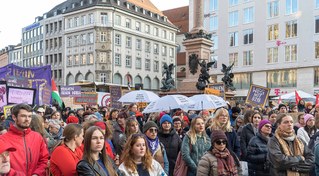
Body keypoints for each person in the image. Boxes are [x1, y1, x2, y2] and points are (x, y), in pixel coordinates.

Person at [0, 103, 49, 175]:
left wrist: (37, 174)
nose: (27, 119)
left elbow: (44, 160)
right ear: (14, 117)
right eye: (23, 116)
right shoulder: (3, 139)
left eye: (29, 116)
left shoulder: (37, 137)